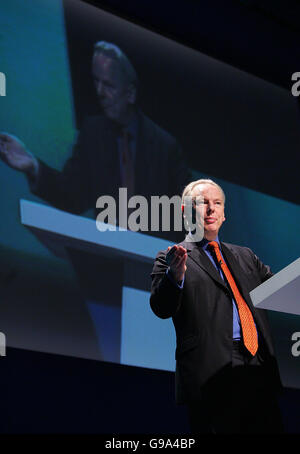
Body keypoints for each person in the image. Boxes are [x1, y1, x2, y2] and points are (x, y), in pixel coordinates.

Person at [0, 41, 190, 239]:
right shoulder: (93, 132)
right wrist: (32, 165)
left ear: (130, 93)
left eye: (108, 85)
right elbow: (72, 195)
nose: (99, 92)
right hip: (108, 261)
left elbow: (188, 218)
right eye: (96, 81)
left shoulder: (165, 147)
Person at [150, 178, 284, 434]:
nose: (211, 209)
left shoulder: (246, 256)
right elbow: (161, 307)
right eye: (202, 202)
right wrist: (174, 276)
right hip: (211, 373)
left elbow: (278, 288)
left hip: (259, 366)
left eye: (217, 203)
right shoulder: (171, 257)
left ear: (224, 213)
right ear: (184, 211)